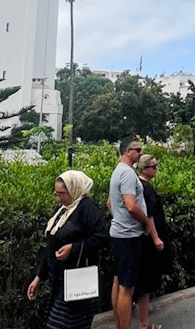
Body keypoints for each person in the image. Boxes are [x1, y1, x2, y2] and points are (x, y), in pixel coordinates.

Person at [27, 170, 109, 329]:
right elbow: (51, 247)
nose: (59, 198)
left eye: (62, 193)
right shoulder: (62, 212)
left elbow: (102, 237)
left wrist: (74, 248)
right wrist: (39, 277)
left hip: (78, 283)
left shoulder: (87, 209)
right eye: (56, 194)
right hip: (59, 282)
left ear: (74, 189)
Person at [108, 137, 162, 329]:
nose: (140, 153)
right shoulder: (128, 174)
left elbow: (110, 204)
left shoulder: (117, 172)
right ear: (127, 151)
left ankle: (120, 324)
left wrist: (119, 219)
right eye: (137, 150)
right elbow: (131, 205)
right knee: (127, 288)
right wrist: (146, 222)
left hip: (119, 233)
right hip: (129, 236)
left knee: (119, 282)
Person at [135, 153, 168, 329]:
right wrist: (155, 237)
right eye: (152, 167)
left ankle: (143, 315)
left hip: (145, 237)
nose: (155, 169)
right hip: (149, 239)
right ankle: (144, 322)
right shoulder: (145, 188)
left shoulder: (140, 186)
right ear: (143, 169)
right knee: (146, 280)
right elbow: (149, 216)